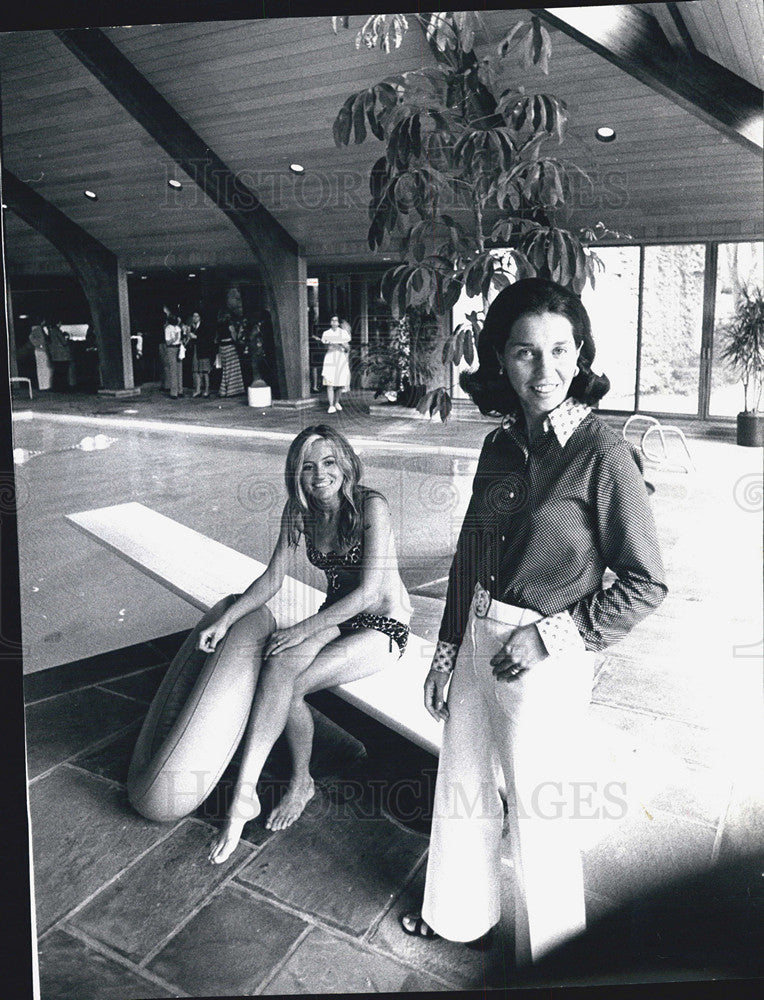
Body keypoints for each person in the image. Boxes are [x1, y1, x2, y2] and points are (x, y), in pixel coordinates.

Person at [400, 278, 667, 967]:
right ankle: (458, 916)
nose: (543, 371)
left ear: (579, 355)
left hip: (543, 656)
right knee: (460, 784)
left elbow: (646, 582)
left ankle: (555, 961)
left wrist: (548, 636)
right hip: (477, 637)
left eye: (558, 350)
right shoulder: (499, 446)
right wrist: (445, 650)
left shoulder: (604, 455)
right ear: (500, 359)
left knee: (541, 814)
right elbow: (474, 553)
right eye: (524, 353)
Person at [126, 425, 411, 864]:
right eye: (307, 467)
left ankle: (300, 782)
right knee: (278, 665)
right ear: (295, 474)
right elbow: (273, 578)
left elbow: (371, 592)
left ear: (347, 464)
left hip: (383, 623)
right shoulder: (298, 512)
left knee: (295, 682)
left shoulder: (372, 506)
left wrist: (304, 629)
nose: (319, 475)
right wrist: (227, 619)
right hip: (338, 614)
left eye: (329, 463)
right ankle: (246, 793)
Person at [320, 315, 351, 413]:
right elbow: (324, 347)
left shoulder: (343, 333)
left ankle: (337, 402)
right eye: (332, 320)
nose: (334, 322)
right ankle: (331, 405)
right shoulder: (326, 333)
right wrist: (329, 344)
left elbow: (347, 348)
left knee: (340, 384)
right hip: (330, 358)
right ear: (330, 322)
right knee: (329, 383)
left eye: (336, 320)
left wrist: (341, 344)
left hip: (340, 358)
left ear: (338, 323)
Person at [215, 312, 245, 397]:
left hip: (222, 348)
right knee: (233, 368)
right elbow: (235, 338)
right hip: (230, 347)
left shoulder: (218, 326)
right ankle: (233, 390)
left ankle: (223, 390)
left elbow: (216, 339)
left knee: (225, 369)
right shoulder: (230, 326)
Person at [186, 311, 214, 397]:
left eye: (196, 316)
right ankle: (198, 390)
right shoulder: (192, 327)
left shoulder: (204, 326)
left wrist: (196, 337)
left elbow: (208, 339)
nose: (195, 318)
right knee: (196, 371)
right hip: (195, 350)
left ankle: (206, 390)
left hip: (203, 351)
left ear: (200, 317)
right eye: (193, 316)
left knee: (205, 371)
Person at [163, 310, 184, 399]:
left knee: (179, 369)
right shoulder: (168, 329)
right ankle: (174, 392)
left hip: (178, 347)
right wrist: (174, 338)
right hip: (171, 348)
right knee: (173, 370)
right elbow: (167, 342)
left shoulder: (178, 328)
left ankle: (180, 390)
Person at [28, 318, 52, 391]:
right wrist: (38, 344)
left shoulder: (38, 329)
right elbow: (31, 337)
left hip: (40, 350)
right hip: (40, 350)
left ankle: (44, 385)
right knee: (44, 367)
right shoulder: (38, 329)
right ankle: (45, 385)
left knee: (42, 368)